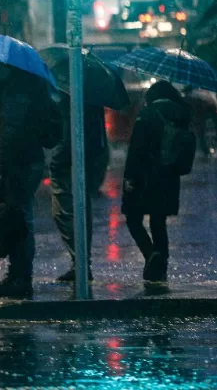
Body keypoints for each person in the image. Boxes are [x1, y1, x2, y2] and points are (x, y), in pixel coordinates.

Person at [0, 70, 61, 297]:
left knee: (19, 220)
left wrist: (1, 166)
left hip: (18, 164)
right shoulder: (30, 88)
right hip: (25, 162)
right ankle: (17, 274)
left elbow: (9, 132)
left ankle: (21, 278)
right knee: (17, 218)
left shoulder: (16, 92)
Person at [122, 81, 192, 282]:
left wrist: (130, 178)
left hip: (145, 177)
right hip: (169, 177)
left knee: (133, 218)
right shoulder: (181, 115)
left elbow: (136, 151)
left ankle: (152, 254)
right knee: (158, 222)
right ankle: (161, 268)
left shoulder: (148, 115)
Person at [52, 95, 108, 282]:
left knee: (66, 212)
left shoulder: (71, 94)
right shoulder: (91, 94)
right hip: (89, 157)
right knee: (81, 209)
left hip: (70, 161)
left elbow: (68, 134)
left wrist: (56, 161)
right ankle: (81, 263)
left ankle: (80, 263)